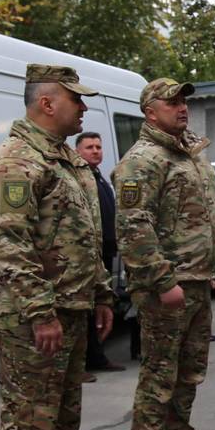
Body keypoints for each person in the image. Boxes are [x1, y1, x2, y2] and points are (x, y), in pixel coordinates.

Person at [0, 64, 114, 430]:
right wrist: (40, 312)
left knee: (61, 423)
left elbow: (86, 238)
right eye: (76, 99)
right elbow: (8, 245)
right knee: (27, 426)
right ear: (47, 102)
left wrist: (101, 295)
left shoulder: (67, 162)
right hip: (30, 318)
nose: (83, 107)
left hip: (72, 310)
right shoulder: (13, 162)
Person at [114, 77, 215, 430]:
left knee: (188, 375)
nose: (181, 107)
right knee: (158, 378)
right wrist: (163, 281)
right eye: (171, 102)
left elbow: (211, 216)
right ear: (150, 111)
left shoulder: (193, 155)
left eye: (184, 101)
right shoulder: (143, 160)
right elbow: (133, 226)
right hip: (167, 287)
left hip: (198, 281)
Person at [75, 131, 125, 377]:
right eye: (89, 147)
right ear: (78, 151)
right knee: (84, 308)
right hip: (87, 253)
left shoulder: (99, 177)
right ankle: (80, 363)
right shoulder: (78, 178)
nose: (95, 151)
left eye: (98, 147)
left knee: (100, 305)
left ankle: (96, 356)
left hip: (105, 249)